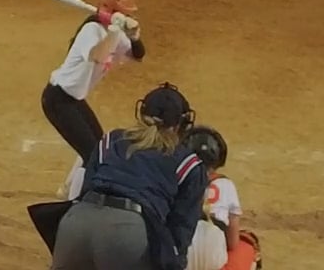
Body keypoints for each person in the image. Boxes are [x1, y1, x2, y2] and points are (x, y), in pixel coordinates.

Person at [50, 83, 208, 270]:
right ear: (179, 125)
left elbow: (86, 188)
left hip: (76, 223)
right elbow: (179, 231)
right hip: (128, 232)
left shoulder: (110, 140)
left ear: (141, 113)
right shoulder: (188, 163)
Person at [44, 0, 146, 199]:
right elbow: (98, 56)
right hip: (58, 99)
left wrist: (134, 37)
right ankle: (75, 203)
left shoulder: (115, 33)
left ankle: (67, 188)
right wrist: (115, 31)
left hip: (74, 100)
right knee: (92, 155)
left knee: (99, 148)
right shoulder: (91, 30)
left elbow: (137, 56)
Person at [184, 126, 261, 270]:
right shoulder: (226, 185)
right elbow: (232, 242)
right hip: (215, 261)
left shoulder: (174, 181)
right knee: (247, 245)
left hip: (180, 259)